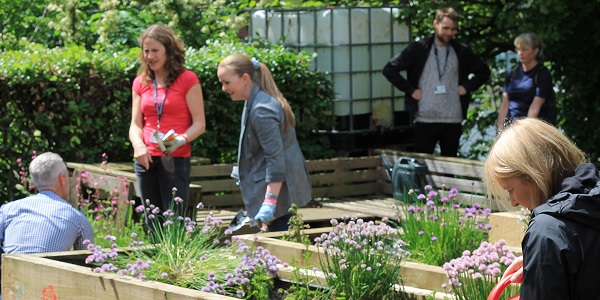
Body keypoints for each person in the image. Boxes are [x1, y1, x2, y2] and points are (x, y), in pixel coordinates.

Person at [484, 118, 600, 299]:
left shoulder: (547, 230)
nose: (513, 202)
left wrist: (545, 254)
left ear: (532, 175)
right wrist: (550, 263)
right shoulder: (592, 201)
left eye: (510, 190)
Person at [217, 54, 312, 232]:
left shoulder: (262, 110)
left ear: (245, 79)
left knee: (280, 252)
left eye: (227, 82)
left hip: (278, 198)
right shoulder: (253, 101)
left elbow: (275, 158)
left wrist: (269, 202)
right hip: (275, 193)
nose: (223, 88)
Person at [382, 7, 490, 157]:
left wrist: (467, 87)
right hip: (425, 118)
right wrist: (411, 90)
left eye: (453, 29)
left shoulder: (461, 50)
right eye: (445, 28)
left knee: (450, 165)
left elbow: (484, 71)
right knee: (421, 165)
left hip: (452, 119)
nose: (449, 33)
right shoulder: (419, 48)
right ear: (435, 24)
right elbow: (389, 69)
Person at [129, 24, 206, 216]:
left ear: (169, 51)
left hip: (175, 159)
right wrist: (138, 145)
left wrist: (179, 140)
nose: (150, 56)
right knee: (152, 221)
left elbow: (199, 124)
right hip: (146, 159)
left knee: (175, 221)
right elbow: (135, 124)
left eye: (155, 50)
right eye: (146, 51)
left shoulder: (187, 79)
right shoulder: (140, 82)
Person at [0, 152, 94, 254]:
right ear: (62, 179)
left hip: (10, 269)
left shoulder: (8, 209)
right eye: (68, 176)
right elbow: (89, 261)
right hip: (48, 269)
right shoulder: (78, 219)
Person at [497, 33, 553, 130]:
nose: (520, 53)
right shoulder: (511, 74)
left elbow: (535, 108)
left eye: (524, 49)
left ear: (535, 51)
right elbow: (504, 105)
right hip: (511, 127)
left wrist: (526, 133)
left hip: (533, 128)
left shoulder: (542, 74)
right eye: (518, 49)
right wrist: (499, 132)